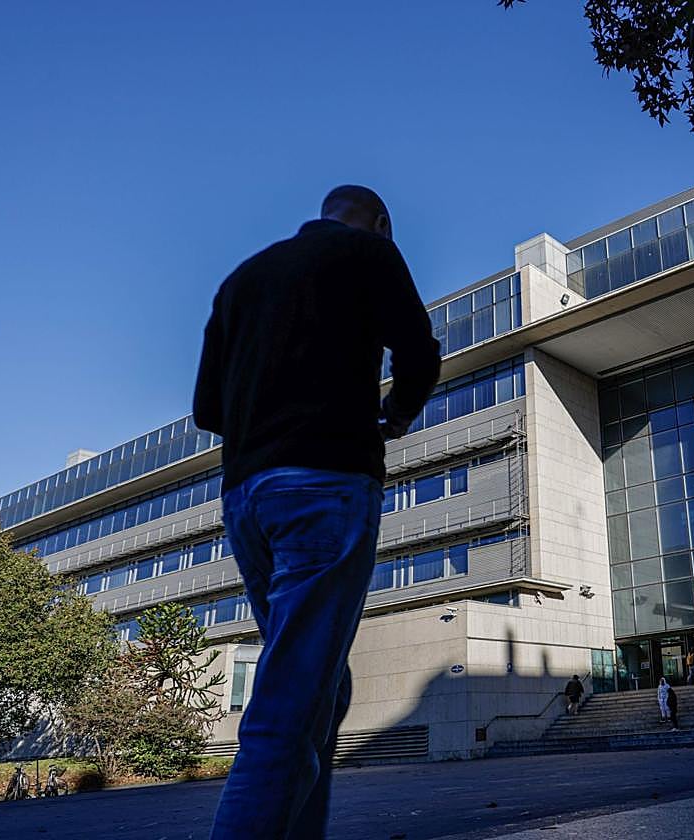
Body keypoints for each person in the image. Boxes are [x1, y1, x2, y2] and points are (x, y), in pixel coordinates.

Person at [195, 185, 441, 840]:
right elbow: (419, 354)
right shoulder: (369, 252)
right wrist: (396, 414)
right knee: (289, 704)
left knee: (320, 690)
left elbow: (207, 411)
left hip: (247, 499)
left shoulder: (242, 280)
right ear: (382, 223)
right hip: (326, 484)